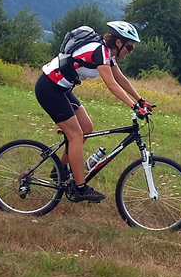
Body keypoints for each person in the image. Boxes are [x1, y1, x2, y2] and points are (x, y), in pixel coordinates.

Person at [35, 21, 153, 203]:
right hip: (49, 88)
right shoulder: (100, 51)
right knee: (75, 135)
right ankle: (80, 188)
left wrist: (140, 100)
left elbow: (120, 78)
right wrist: (134, 107)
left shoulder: (107, 53)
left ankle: (59, 168)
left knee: (87, 127)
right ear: (119, 42)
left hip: (62, 88)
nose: (130, 52)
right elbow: (112, 85)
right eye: (130, 48)